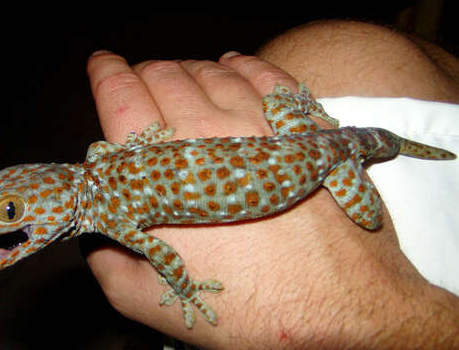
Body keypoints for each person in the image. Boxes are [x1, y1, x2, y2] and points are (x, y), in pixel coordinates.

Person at [83, 20, 459, 349]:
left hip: (329, 158)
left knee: (367, 217)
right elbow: (98, 149)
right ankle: (320, 122)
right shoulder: (97, 168)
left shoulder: (109, 215)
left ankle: (361, 153)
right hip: (298, 132)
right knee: (297, 69)